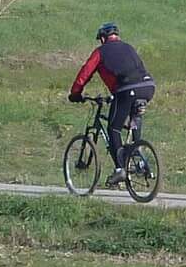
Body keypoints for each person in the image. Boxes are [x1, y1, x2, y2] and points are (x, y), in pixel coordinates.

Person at [67, 22, 156, 186]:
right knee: (134, 119)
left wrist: (75, 93)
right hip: (148, 87)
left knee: (113, 128)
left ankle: (120, 169)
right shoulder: (129, 47)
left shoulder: (100, 52)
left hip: (127, 89)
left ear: (102, 38)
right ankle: (139, 156)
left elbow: (85, 72)